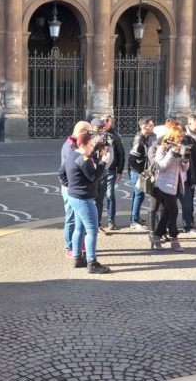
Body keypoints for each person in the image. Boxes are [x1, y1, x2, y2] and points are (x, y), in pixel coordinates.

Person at [58, 132, 111, 274]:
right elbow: (94, 177)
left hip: (74, 197)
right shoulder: (83, 159)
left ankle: (77, 257)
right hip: (84, 199)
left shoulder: (72, 156)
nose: (92, 148)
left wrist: (71, 186)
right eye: (90, 145)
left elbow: (61, 173)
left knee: (79, 228)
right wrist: (103, 162)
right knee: (92, 230)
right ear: (82, 145)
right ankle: (92, 262)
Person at [150, 127, 190, 251]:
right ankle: (174, 237)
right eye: (178, 137)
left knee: (167, 212)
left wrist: (185, 161)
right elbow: (160, 167)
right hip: (163, 184)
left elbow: (184, 169)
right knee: (174, 210)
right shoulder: (163, 148)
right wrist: (171, 154)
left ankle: (156, 235)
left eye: (181, 138)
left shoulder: (180, 147)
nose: (180, 140)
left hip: (176, 184)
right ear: (172, 137)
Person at [60, 121, 91, 258]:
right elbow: (62, 172)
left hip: (75, 187)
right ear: (81, 132)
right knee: (71, 218)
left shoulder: (75, 144)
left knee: (80, 217)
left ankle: (78, 243)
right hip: (71, 188)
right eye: (88, 133)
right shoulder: (70, 146)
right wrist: (69, 185)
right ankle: (70, 246)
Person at [127, 117, 156, 230]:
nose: (153, 126)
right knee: (139, 194)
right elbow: (132, 160)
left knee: (139, 195)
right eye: (151, 125)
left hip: (139, 170)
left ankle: (135, 217)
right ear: (144, 126)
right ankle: (134, 221)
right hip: (137, 171)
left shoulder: (145, 138)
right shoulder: (139, 141)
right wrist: (142, 172)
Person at [101, 115, 124, 232]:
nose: (103, 123)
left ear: (110, 122)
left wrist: (120, 170)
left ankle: (111, 219)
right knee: (97, 195)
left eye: (105, 121)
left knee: (110, 194)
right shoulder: (96, 134)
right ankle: (98, 221)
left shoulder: (115, 136)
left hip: (110, 169)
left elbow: (121, 153)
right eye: (101, 121)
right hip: (98, 168)